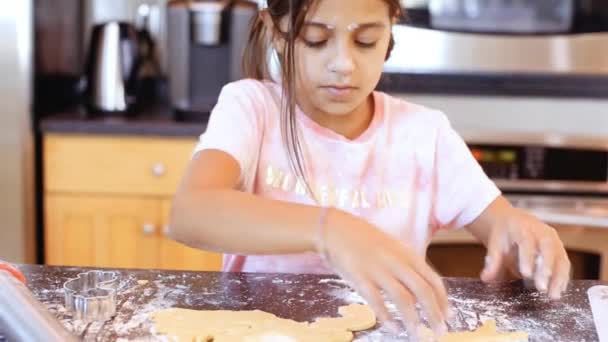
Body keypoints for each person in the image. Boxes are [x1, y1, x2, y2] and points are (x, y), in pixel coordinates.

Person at [168, 0, 571, 337]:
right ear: (276, 31)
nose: (343, 63)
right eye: (316, 39)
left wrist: (525, 241)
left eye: (365, 40)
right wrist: (330, 229)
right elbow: (190, 213)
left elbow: (500, 226)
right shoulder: (252, 109)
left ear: (390, 33)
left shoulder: (424, 134)